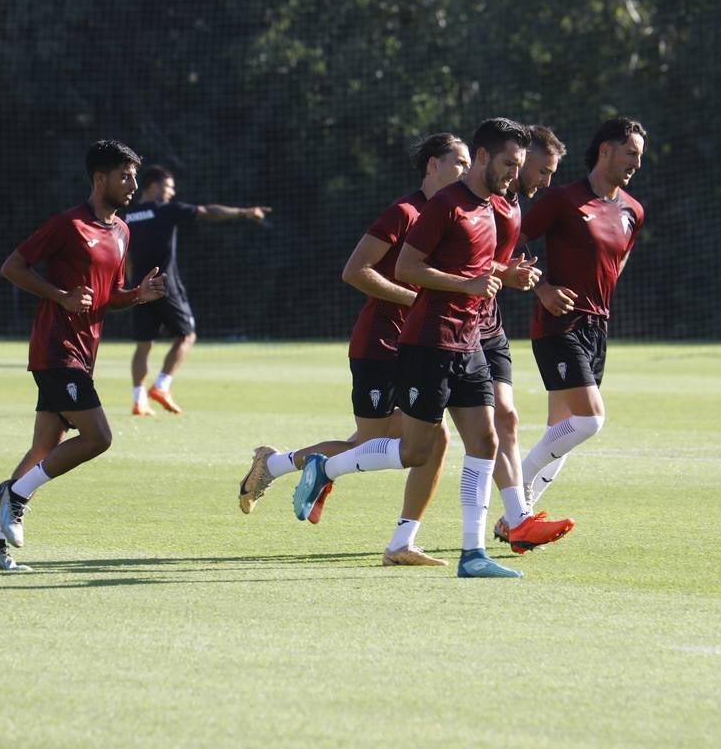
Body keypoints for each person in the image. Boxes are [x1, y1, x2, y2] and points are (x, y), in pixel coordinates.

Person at [289, 117, 572, 578]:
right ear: (482, 157)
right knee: (415, 451)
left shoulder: (495, 207)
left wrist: (509, 276)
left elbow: (482, 271)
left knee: (485, 440)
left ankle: (473, 553)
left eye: (518, 165)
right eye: (507, 163)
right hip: (429, 343)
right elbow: (407, 267)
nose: (512, 174)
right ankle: (327, 469)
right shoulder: (445, 205)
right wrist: (471, 282)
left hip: (471, 340)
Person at [237, 133, 470, 566]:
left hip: (422, 345)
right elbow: (355, 270)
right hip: (381, 345)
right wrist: (417, 300)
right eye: (459, 161)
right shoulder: (405, 212)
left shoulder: (456, 216)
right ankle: (275, 464)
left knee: (435, 438)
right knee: (372, 441)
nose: (466, 169)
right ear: (432, 166)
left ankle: (402, 543)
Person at [0, 140, 167, 573]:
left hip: (84, 352)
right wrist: (60, 295)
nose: (133, 184)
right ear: (100, 179)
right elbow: (13, 266)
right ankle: (15, 495)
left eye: (134, 176)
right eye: (124, 176)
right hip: (56, 348)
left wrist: (137, 296)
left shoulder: (122, 231)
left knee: (45, 447)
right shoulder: (68, 224)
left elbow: (108, 295)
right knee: (98, 437)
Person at [517, 116, 647, 511]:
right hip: (559, 324)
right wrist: (541, 288)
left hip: (596, 326)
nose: (637, 164)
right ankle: (517, 481)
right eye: (631, 154)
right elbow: (511, 241)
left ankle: (516, 517)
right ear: (606, 149)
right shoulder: (563, 199)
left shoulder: (633, 211)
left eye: (640, 157)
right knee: (589, 421)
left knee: (563, 429)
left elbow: (617, 262)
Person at [472, 125, 574, 553]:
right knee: (407, 443)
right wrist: (514, 276)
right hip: (450, 328)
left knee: (505, 421)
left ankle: (518, 521)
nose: (545, 181)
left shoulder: (512, 204)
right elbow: (464, 263)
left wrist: (521, 276)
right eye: (541, 170)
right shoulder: (480, 201)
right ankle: (305, 465)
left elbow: (495, 262)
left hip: (488, 326)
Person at [125, 165, 271, 415]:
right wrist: (245, 212)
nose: (171, 193)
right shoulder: (166, 210)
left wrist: (132, 286)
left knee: (143, 343)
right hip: (165, 286)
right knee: (187, 335)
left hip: (140, 287)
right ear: (154, 185)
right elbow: (207, 211)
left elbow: (125, 256)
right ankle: (161, 385)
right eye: (169, 187)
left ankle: (139, 399)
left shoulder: (126, 216)